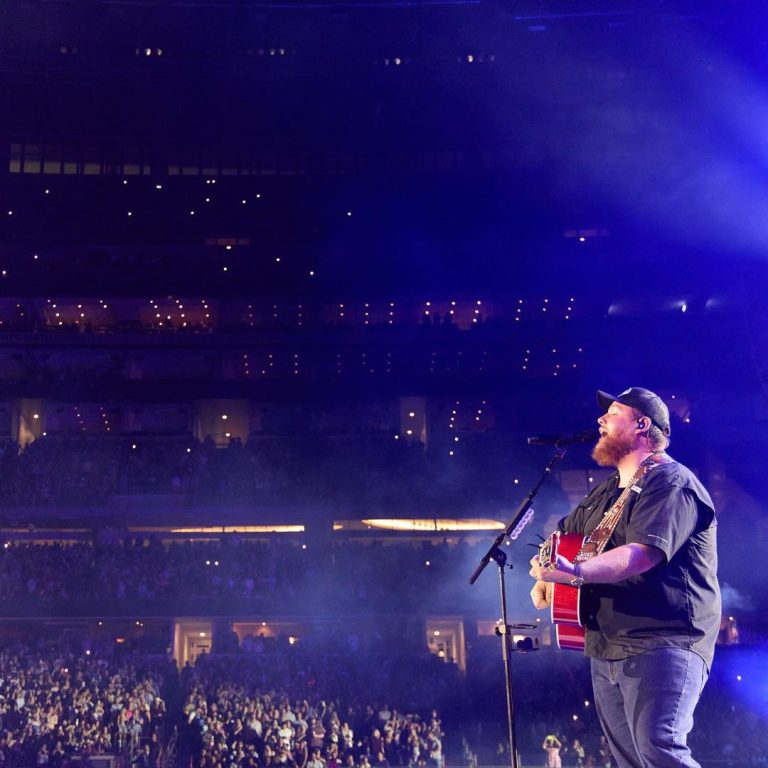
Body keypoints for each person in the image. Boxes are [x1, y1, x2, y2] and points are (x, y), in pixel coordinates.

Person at [529, 387, 721, 768]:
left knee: (658, 748)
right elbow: (563, 538)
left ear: (641, 425)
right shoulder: (603, 494)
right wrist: (544, 575)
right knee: (631, 760)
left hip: (663, 640)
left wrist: (577, 573)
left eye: (613, 413)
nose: (600, 420)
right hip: (607, 644)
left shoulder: (671, 482)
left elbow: (642, 553)